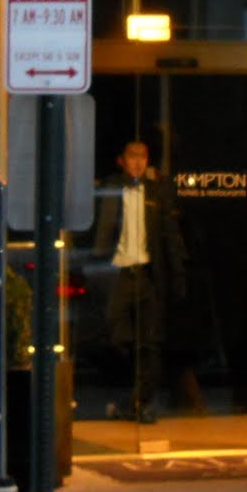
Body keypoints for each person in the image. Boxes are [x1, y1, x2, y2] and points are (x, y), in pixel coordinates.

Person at [92, 139, 188, 424]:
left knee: (150, 342)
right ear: (121, 160)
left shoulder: (156, 191)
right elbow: (100, 231)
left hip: (147, 272)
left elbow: (169, 234)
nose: (137, 162)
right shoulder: (111, 188)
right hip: (119, 272)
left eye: (142, 157)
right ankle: (129, 395)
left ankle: (142, 401)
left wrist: (177, 274)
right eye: (132, 156)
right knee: (116, 335)